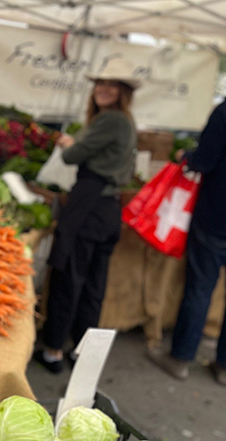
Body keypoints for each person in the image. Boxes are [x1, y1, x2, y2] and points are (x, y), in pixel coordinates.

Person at [34, 57, 140, 374]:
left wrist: (70, 143)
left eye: (112, 85)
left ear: (123, 92)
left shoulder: (111, 120)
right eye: (101, 83)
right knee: (93, 285)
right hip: (106, 209)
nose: (104, 89)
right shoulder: (124, 121)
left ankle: (53, 350)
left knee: (70, 278)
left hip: (89, 206)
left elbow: (72, 155)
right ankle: (81, 352)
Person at [148, 101, 226, 386]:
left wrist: (186, 155)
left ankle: (180, 358)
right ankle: (223, 366)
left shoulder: (224, 112)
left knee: (200, 288)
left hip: (217, 217)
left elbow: (204, 160)